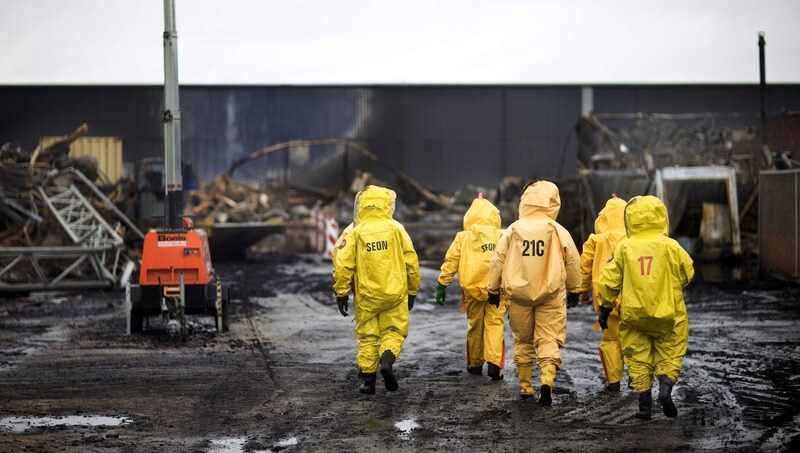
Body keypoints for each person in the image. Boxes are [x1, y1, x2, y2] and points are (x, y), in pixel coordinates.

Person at [596, 195, 694, 420]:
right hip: (669, 312)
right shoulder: (671, 246)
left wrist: (605, 308)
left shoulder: (624, 247)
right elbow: (687, 272)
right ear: (661, 217)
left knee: (638, 356)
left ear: (630, 219)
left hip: (634, 313)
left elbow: (609, 280)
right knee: (671, 350)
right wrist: (672, 286)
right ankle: (665, 389)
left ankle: (644, 407)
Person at [487, 181, 581, 405]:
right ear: (553, 203)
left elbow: (497, 260)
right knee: (549, 338)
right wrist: (575, 289)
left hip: (518, 295)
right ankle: (546, 381)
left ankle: (525, 386)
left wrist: (493, 289)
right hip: (551, 294)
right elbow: (572, 260)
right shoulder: (556, 230)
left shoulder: (514, 229)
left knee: (523, 339)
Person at [333, 185, 421, 395]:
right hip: (395, 294)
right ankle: (387, 362)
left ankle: (368, 382)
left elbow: (343, 264)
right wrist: (412, 291)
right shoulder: (396, 229)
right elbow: (411, 262)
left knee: (368, 336)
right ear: (387, 204)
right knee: (394, 331)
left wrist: (341, 293)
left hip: (367, 296)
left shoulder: (356, 232)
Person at [436, 194, 507, 380]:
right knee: (495, 324)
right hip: (497, 289)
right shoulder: (503, 235)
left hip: (472, 290)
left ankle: (475, 364)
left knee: (475, 325)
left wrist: (442, 283)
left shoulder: (463, 237)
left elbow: (452, 261)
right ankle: (494, 363)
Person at [577, 195, 628, 391]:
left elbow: (585, 265)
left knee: (611, 339)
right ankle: (637, 377)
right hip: (633, 296)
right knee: (634, 338)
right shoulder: (634, 238)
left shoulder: (596, 240)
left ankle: (614, 381)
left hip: (606, 297)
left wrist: (583, 290)